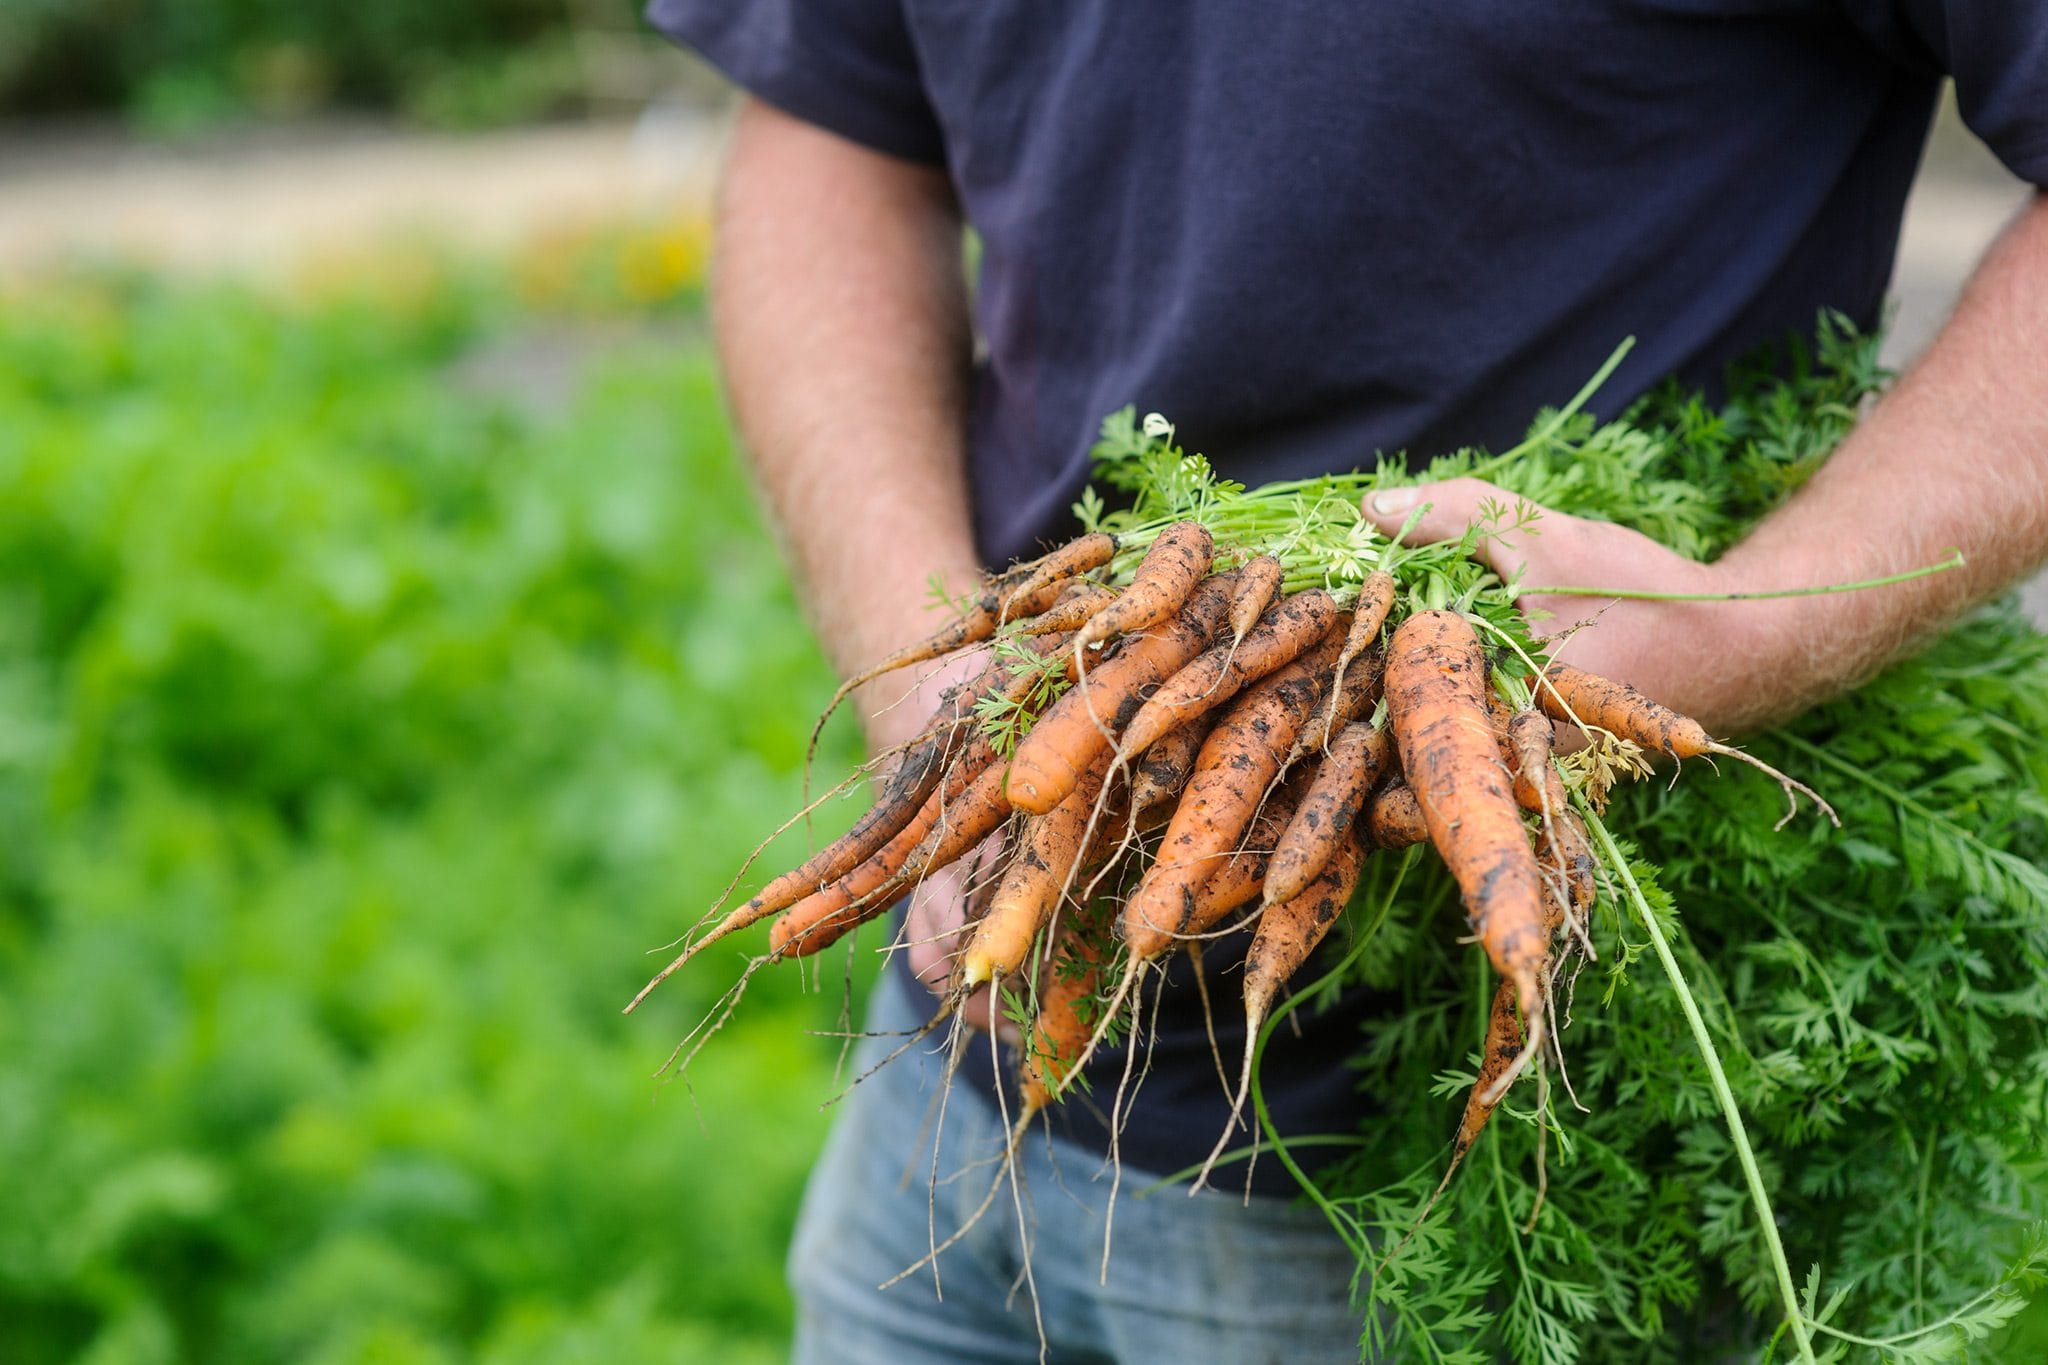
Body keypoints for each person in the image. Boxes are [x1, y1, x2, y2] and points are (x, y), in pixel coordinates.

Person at [649, 3, 2048, 1360]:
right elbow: (828, 122)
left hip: (1457, 1193)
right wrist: (931, 690)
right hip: (953, 1052)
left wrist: (1745, 626)